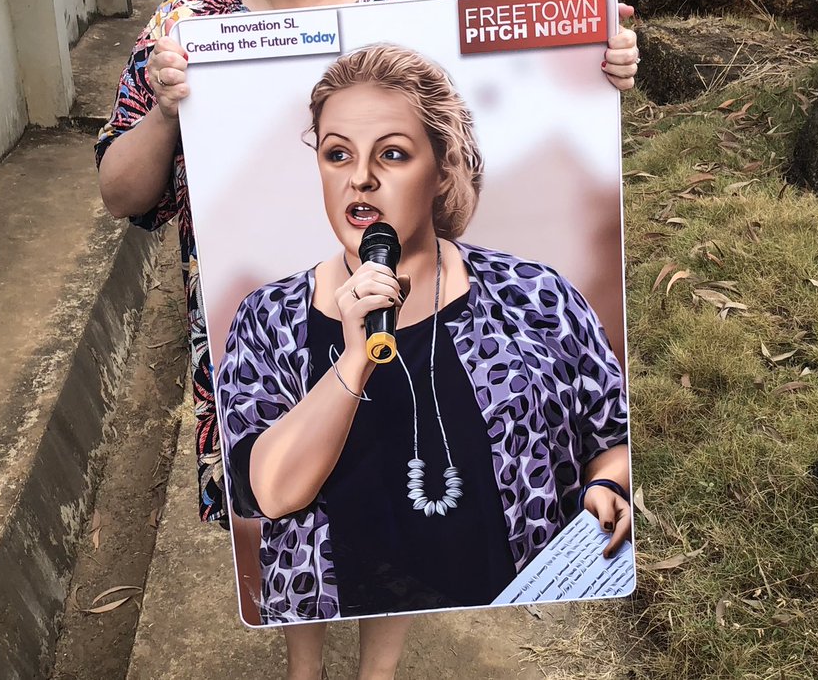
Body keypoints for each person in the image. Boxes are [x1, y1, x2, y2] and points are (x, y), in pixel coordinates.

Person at [96, 0, 640, 680]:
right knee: (310, 508)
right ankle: (303, 666)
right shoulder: (186, 29)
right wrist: (164, 110)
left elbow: (540, 73)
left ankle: (375, 670)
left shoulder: (402, 15)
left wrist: (598, 64)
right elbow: (122, 192)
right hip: (263, 330)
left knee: (403, 485)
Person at [218, 44, 631, 625]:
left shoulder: (534, 294)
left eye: (391, 154)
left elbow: (614, 437)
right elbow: (270, 492)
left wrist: (603, 490)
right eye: (338, 155)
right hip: (344, 633)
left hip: (510, 636)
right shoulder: (269, 318)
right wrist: (356, 357)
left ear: (441, 169)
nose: (360, 179)